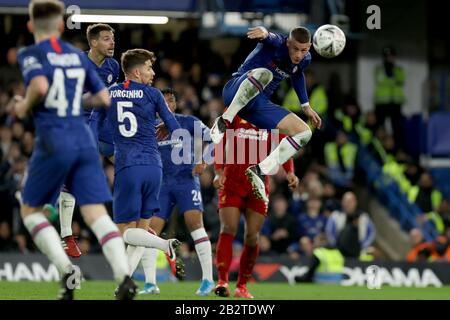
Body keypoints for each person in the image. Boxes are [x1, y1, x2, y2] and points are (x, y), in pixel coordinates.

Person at [13, 0, 135, 300]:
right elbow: (104, 99)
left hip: (54, 139)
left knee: (30, 210)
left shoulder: (31, 54)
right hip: (84, 140)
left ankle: (67, 272)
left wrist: (23, 106)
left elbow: (40, 87)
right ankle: (123, 276)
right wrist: (76, 103)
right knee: (95, 213)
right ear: (59, 26)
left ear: (31, 27)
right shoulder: (75, 56)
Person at [210, 26, 321, 202]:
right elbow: (269, 37)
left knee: (304, 132)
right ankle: (225, 120)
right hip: (235, 92)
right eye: (295, 49)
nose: (299, 54)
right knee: (264, 74)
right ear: (288, 43)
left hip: (258, 105)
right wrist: (263, 33)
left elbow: (297, 74)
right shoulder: (277, 43)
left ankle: (261, 170)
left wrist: (306, 106)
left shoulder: (304, 59)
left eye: (304, 50)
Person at [104, 49, 184, 286]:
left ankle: (165, 244)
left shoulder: (111, 93)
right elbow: (175, 126)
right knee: (140, 232)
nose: (153, 72)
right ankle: (124, 284)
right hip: (154, 167)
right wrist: (163, 126)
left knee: (125, 232)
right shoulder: (154, 94)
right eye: (149, 68)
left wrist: (111, 151)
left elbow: (97, 131)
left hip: (128, 166)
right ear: (137, 71)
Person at [139, 88, 214, 296]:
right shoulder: (147, 127)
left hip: (185, 181)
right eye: (162, 101)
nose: (167, 105)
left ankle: (208, 280)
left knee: (195, 225)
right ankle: (150, 283)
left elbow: (217, 137)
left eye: (170, 101)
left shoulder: (188, 122)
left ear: (175, 104)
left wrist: (204, 161)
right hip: (160, 185)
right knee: (149, 232)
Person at [213, 115, 299, 298]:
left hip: (258, 184)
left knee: (252, 236)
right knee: (228, 228)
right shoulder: (235, 111)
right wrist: (218, 171)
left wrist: (290, 172)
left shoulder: (272, 116)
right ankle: (222, 281)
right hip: (232, 181)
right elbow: (220, 140)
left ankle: (241, 286)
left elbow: (284, 147)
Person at [59, 23, 119, 258]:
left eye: (112, 38)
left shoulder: (113, 66)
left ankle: (138, 218)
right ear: (93, 42)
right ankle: (66, 235)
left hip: (103, 127)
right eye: (106, 39)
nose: (112, 43)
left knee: (127, 162)